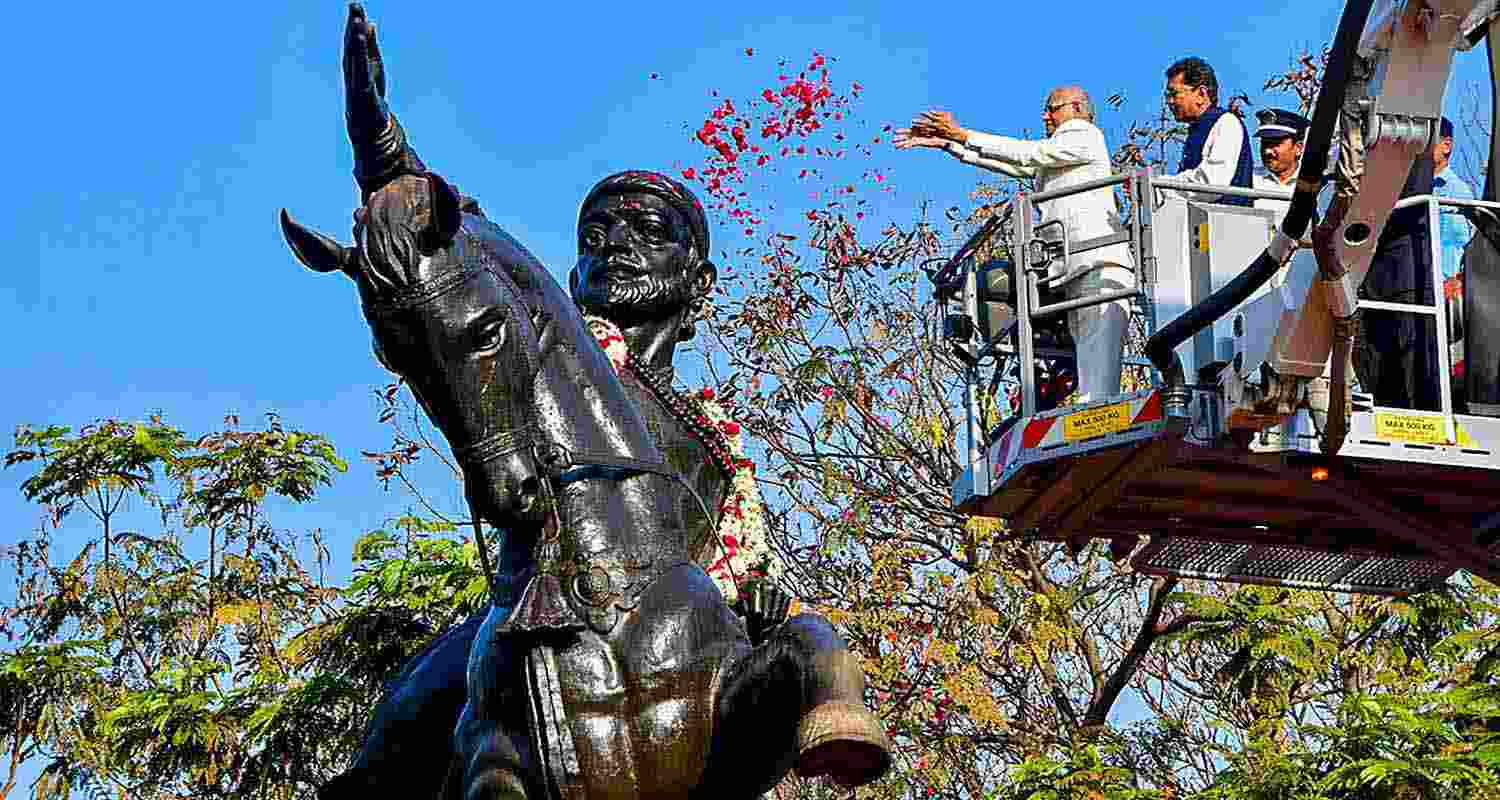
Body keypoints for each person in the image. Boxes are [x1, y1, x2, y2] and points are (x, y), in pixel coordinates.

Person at [894, 85, 1135, 404]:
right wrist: (951, 144)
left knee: (1099, 377)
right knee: (1090, 367)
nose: (1046, 116)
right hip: (1076, 268)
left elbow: (1028, 154)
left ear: (1077, 108)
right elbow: (1018, 164)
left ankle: (1097, 417)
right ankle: (1091, 415)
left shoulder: (1085, 134)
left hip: (1099, 266)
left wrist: (961, 134)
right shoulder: (1062, 154)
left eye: (1053, 108)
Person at [1163, 57, 1255, 206]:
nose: (1169, 101)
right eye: (1168, 96)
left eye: (1174, 94)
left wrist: (1159, 186)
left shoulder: (1226, 123)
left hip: (1226, 218)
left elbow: (1211, 184)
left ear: (1201, 94)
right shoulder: (1199, 129)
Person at [1250, 108, 1310, 223]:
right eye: (1264, 143)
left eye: (1275, 144)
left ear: (1298, 148)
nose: (1267, 151)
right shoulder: (1249, 179)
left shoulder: (1314, 183)